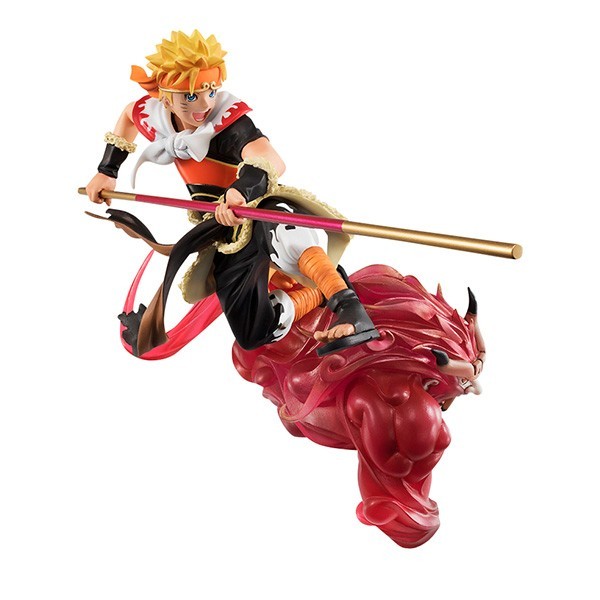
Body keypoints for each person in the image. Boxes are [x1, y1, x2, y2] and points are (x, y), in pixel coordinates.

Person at [85, 30, 379, 357]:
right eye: (190, 97)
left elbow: (271, 159)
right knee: (255, 332)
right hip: (223, 228)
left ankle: (350, 308)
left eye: (210, 91)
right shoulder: (155, 116)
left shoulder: (228, 121)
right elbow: (129, 115)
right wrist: (107, 171)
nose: (205, 105)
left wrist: (241, 191)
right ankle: (317, 292)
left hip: (257, 205)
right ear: (166, 100)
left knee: (282, 230)